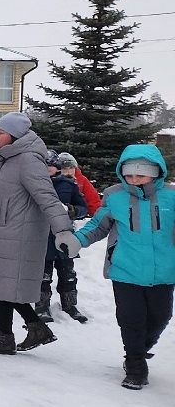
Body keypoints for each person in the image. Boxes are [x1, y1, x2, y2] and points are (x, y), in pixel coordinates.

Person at [0, 112, 76, 355]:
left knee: (4, 285)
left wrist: (62, 230)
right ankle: (33, 328)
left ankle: (5, 336)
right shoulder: (3, 159)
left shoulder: (29, 160)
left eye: (0, 132)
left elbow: (47, 198)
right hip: (3, 232)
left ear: (14, 135)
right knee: (4, 285)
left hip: (19, 235)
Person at [73, 145, 175, 389]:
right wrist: (76, 240)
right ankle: (135, 364)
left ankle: (140, 347)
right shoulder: (115, 195)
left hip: (164, 272)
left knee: (161, 317)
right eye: (129, 174)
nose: (134, 179)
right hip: (125, 269)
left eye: (141, 174)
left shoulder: (171, 197)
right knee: (131, 319)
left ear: (156, 172)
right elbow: (98, 225)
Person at [38, 152, 88, 323]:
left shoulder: (68, 184)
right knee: (43, 274)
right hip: (41, 237)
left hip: (64, 237)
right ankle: (42, 306)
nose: (47, 169)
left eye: (50, 165)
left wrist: (73, 210)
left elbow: (83, 207)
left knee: (68, 273)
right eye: (43, 165)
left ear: (57, 167)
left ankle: (70, 305)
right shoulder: (34, 185)